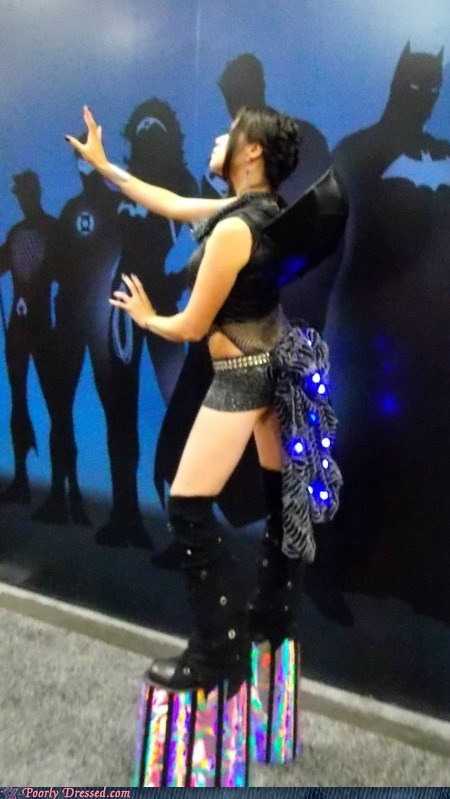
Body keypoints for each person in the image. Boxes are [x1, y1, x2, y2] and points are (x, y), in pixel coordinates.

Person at [65, 104, 321, 696]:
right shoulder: (263, 213)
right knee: (281, 503)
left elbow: (191, 326)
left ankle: (218, 652)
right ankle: (272, 621)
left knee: (186, 507)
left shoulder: (233, 229)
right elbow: (169, 202)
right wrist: (105, 165)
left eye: (228, 134)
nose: (216, 139)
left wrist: (147, 317)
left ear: (252, 151)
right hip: (277, 369)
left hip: (245, 375)